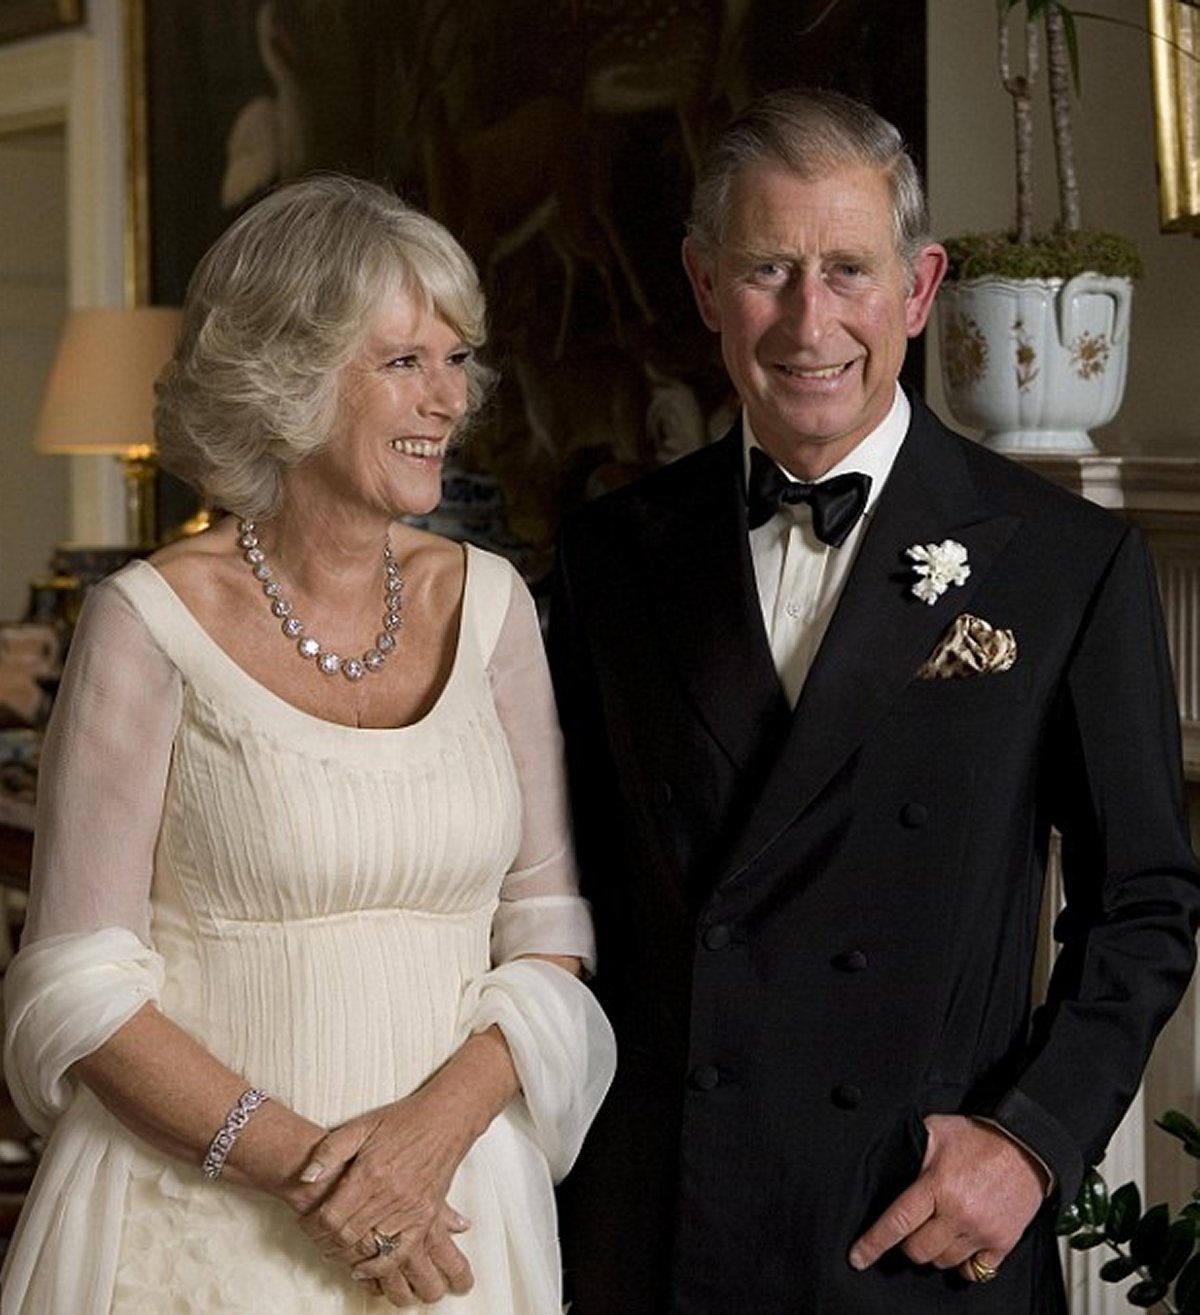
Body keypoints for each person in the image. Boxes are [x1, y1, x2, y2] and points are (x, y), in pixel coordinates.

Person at [548, 87, 1200, 1314]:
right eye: (768, 270)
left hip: (917, 1230)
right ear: (702, 286)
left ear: (918, 286)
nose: (810, 320)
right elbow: (548, 888)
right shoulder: (606, 556)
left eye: (849, 269)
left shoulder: (1065, 564)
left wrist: (1032, 1140)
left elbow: (1146, 901)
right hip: (655, 1230)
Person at [2, 173, 615, 1315]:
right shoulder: (146, 624)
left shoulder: (493, 606)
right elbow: (77, 988)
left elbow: (546, 932)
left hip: (454, 1218)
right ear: (283, 381)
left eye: (456, 357)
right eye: (404, 362)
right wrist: (315, 1171)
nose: (451, 399)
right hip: (197, 1225)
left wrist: (425, 1146)